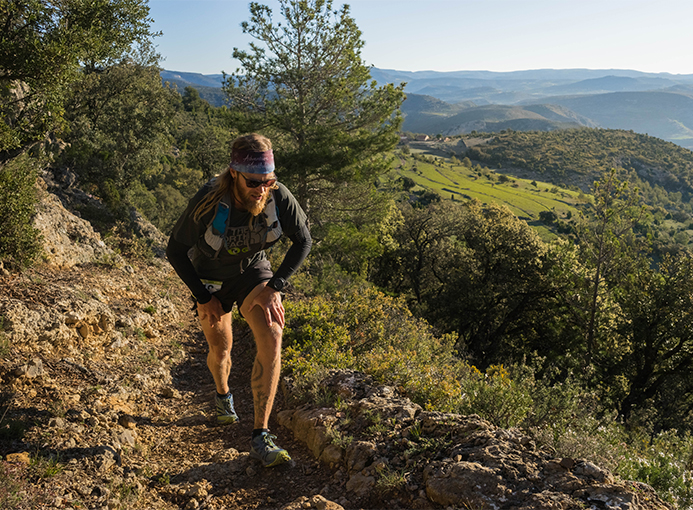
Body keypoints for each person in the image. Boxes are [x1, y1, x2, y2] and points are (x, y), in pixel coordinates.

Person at [166, 133, 311, 468]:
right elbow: (175, 250)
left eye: (268, 181)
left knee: (273, 334)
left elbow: (303, 240)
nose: (261, 189)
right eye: (254, 182)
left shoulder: (276, 195)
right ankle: (222, 394)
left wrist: (275, 286)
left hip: (251, 271)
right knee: (221, 349)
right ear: (234, 173)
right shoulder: (207, 200)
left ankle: (261, 435)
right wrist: (203, 298)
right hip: (210, 276)